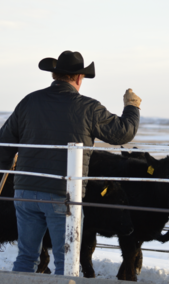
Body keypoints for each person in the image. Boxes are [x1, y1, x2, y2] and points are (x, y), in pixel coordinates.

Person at [0, 50, 141, 274]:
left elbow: (3, 145)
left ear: (54, 76)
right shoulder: (88, 108)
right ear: (78, 78)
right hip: (63, 194)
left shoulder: (29, 102)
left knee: (26, 257)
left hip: (25, 191)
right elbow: (122, 133)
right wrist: (132, 107)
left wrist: (3, 182)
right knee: (66, 261)